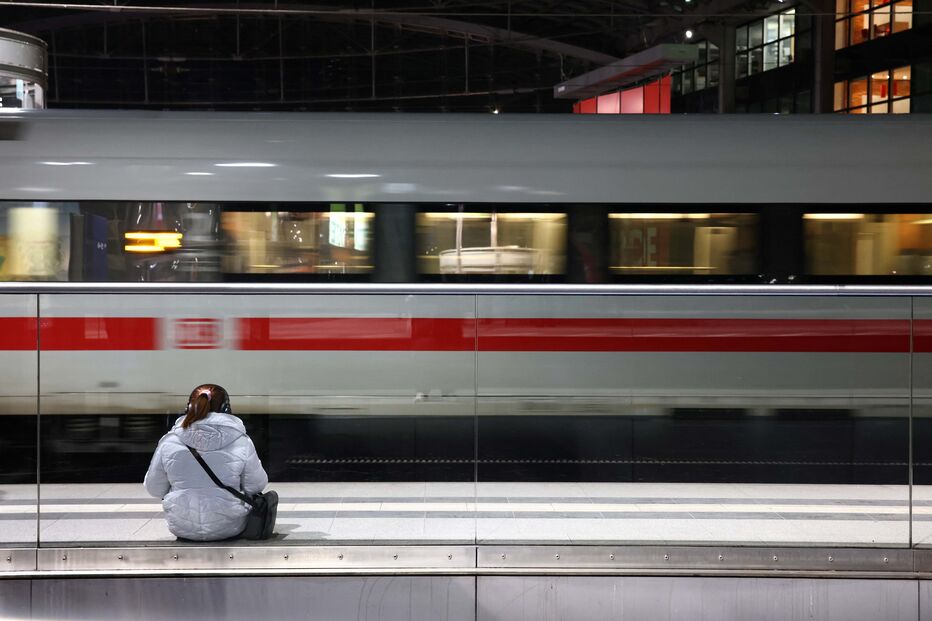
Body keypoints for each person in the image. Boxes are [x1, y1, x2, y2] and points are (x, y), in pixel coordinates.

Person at [145, 384, 269, 541]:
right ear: (226, 409)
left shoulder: (169, 442)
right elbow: (256, 486)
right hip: (231, 526)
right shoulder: (241, 441)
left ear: (189, 407)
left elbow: (154, 488)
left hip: (182, 527)